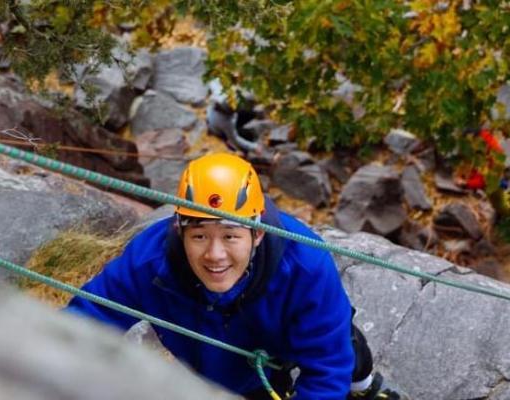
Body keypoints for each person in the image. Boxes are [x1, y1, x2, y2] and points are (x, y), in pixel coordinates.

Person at [66, 153, 408, 399]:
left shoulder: (305, 265)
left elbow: (326, 367)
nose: (215, 255)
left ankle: (364, 384)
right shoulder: (150, 260)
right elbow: (88, 317)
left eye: (231, 236)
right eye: (199, 236)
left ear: (257, 234)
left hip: (285, 337)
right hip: (228, 373)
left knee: (344, 348)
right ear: (179, 229)